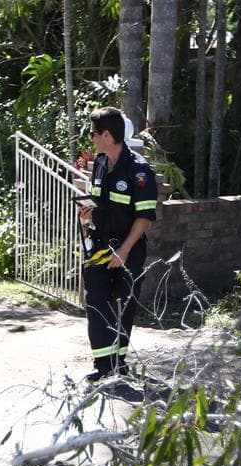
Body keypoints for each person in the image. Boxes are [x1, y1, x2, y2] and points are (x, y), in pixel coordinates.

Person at [76, 107, 158, 381]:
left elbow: (144, 217)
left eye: (94, 133)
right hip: (99, 246)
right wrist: (87, 216)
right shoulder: (100, 163)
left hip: (128, 250)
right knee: (96, 300)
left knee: (124, 304)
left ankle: (118, 362)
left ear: (107, 135)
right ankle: (102, 364)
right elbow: (100, 203)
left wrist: (123, 251)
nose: (91, 138)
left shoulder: (139, 170)